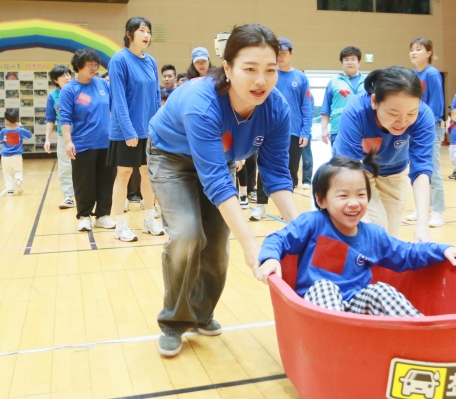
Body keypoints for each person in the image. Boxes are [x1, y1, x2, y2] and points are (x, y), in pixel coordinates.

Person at [147, 24, 298, 357]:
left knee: (215, 245)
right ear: (227, 68)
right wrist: (250, 244)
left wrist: (302, 227)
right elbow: (215, 180)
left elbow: (275, 173)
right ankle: (173, 321)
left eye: (270, 70)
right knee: (188, 235)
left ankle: (201, 314)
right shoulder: (201, 102)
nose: (261, 81)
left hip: (221, 161)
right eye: (249, 69)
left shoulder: (277, 108)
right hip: (171, 159)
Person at [255, 155, 456, 315]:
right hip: (316, 313)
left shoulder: (373, 235)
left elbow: (406, 252)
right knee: (325, 287)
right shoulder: (312, 223)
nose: (354, 202)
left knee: (382, 290)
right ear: (321, 201)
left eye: (361, 195)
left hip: (356, 308)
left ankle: (422, 338)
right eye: (343, 195)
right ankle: (334, 347)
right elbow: (278, 239)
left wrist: (442, 249)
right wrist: (270, 258)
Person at [334, 67, 435, 242]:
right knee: (375, 229)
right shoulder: (356, 112)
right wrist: (363, 224)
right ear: (374, 101)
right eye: (393, 114)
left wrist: (422, 227)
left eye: (411, 113)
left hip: (395, 170)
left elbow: (422, 170)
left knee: (390, 235)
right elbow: (348, 169)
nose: (402, 122)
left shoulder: (424, 115)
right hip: (358, 171)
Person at [107, 16, 164, 242]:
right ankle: (120, 225)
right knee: (124, 174)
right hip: (126, 131)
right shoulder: (119, 60)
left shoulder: (151, 62)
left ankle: (149, 219)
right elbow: (118, 100)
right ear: (130, 33)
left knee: (147, 175)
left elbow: (156, 96)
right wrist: (129, 131)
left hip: (148, 131)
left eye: (149, 31)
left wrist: (157, 127)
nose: (147, 35)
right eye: (142, 30)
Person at [250, 37, 311, 221]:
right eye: (278, 53)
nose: (281, 56)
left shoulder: (300, 78)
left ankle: (288, 208)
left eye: (284, 52)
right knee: (265, 167)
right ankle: (261, 205)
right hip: (268, 130)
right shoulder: (269, 75)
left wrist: (305, 131)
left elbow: (306, 105)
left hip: (293, 131)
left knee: (291, 169)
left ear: (291, 53)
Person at [60, 48, 117, 232]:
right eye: (89, 64)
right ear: (78, 66)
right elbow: (65, 118)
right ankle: (84, 215)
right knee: (84, 182)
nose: (94, 68)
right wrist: (68, 142)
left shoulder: (102, 84)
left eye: (95, 64)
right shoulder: (70, 90)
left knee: (106, 180)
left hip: (107, 142)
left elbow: (113, 109)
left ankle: (103, 215)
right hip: (83, 143)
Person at [407, 38, 445, 228]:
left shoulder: (432, 74)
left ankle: (437, 212)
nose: (414, 52)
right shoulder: (413, 75)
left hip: (430, 127)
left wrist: (428, 125)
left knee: (433, 170)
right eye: (412, 49)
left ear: (429, 53)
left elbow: (436, 103)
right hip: (414, 128)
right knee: (417, 170)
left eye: (418, 49)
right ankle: (422, 209)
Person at [321, 46, 366, 155]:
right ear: (342, 63)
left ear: (359, 62)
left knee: (365, 166)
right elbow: (325, 109)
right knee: (340, 165)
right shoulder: (334, 82)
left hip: (365, 130)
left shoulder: (368, 82)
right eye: (346, 60)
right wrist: (324, 129)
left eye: (353, 59)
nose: (350, 62)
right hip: (339, 129)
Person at [44, 65, 75, 209]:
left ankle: (86, 195)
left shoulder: (79, 90)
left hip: (82, 135)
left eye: (68, 74)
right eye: (63, 76)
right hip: (64, 137)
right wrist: (47, 139)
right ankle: (68, 196)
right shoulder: (53, 96)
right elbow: (50, 118)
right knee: (65, 167)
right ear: (56, 80)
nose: (67, 77)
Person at [0, 109, 32, 196]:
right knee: (18, 171)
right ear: (17, 118)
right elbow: (29, 135)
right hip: (17, 156)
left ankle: (10, 190)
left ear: (6, 120)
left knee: (7, 173)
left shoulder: (4, 131)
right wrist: (21, 127)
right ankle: (18, 180)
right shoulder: (20, 130)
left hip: (5, 156)